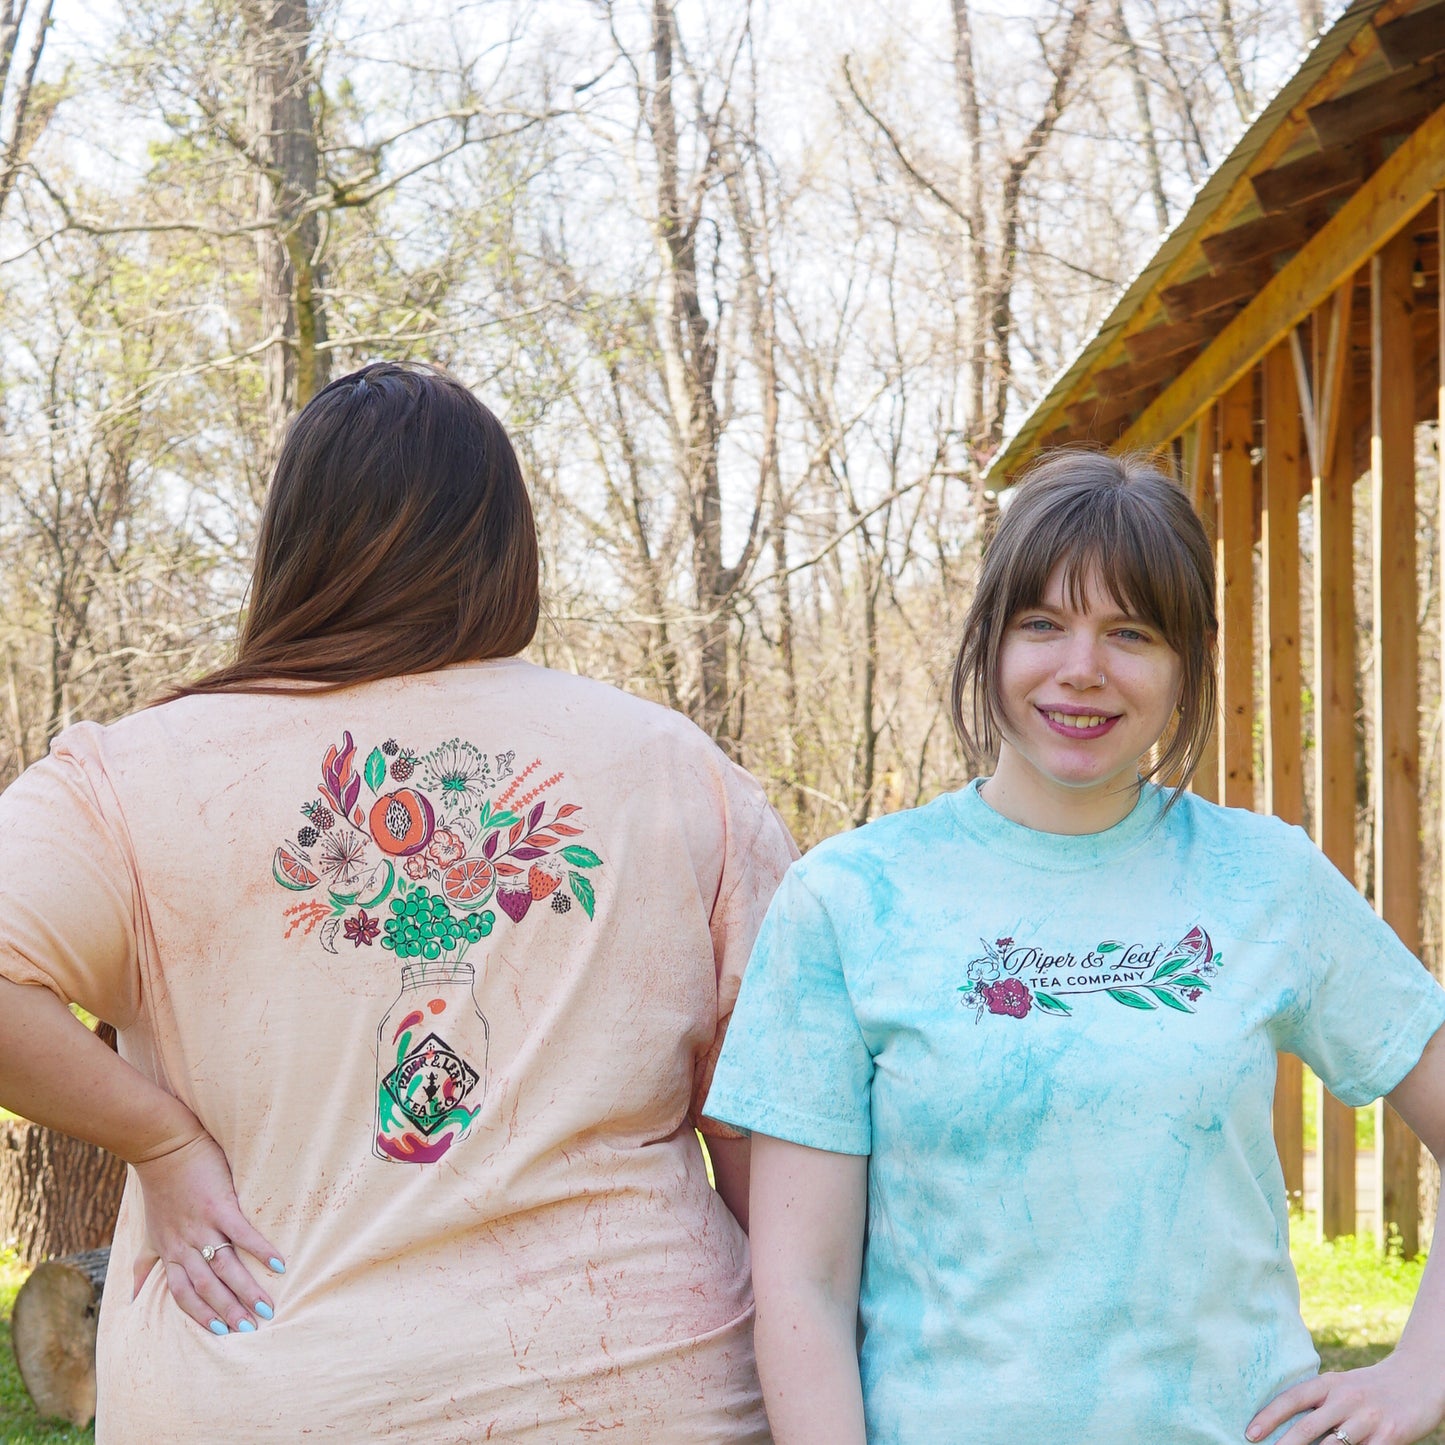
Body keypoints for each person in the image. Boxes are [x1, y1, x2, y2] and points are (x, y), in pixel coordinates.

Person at [0, 361, 795, 1440]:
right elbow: (772, 1127)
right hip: (645, 1386)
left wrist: (159, 1139)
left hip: (276, 1390)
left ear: (289, 543)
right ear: (508, 544)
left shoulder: (134, 776)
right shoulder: (673, 767)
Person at [703, 450, 1445, 1445]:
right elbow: (805, 1278)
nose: (1081, 667)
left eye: (1128, 631)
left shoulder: (1263, 878)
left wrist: (1417, 1376)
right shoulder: (849, 895)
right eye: (1041, 623)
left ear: (1186, 658)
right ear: (988, 641)